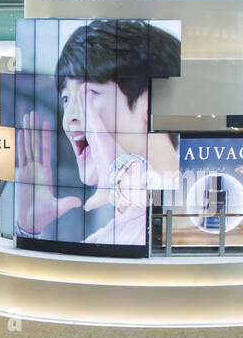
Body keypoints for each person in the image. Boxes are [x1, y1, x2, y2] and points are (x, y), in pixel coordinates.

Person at [14, 19, 181, 246]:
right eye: (66, 98)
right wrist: (26, 228)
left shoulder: (191, 215)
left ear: (149, 104)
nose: (69, 116)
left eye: (89, 93)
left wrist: (123, 174)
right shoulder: (104, 237)